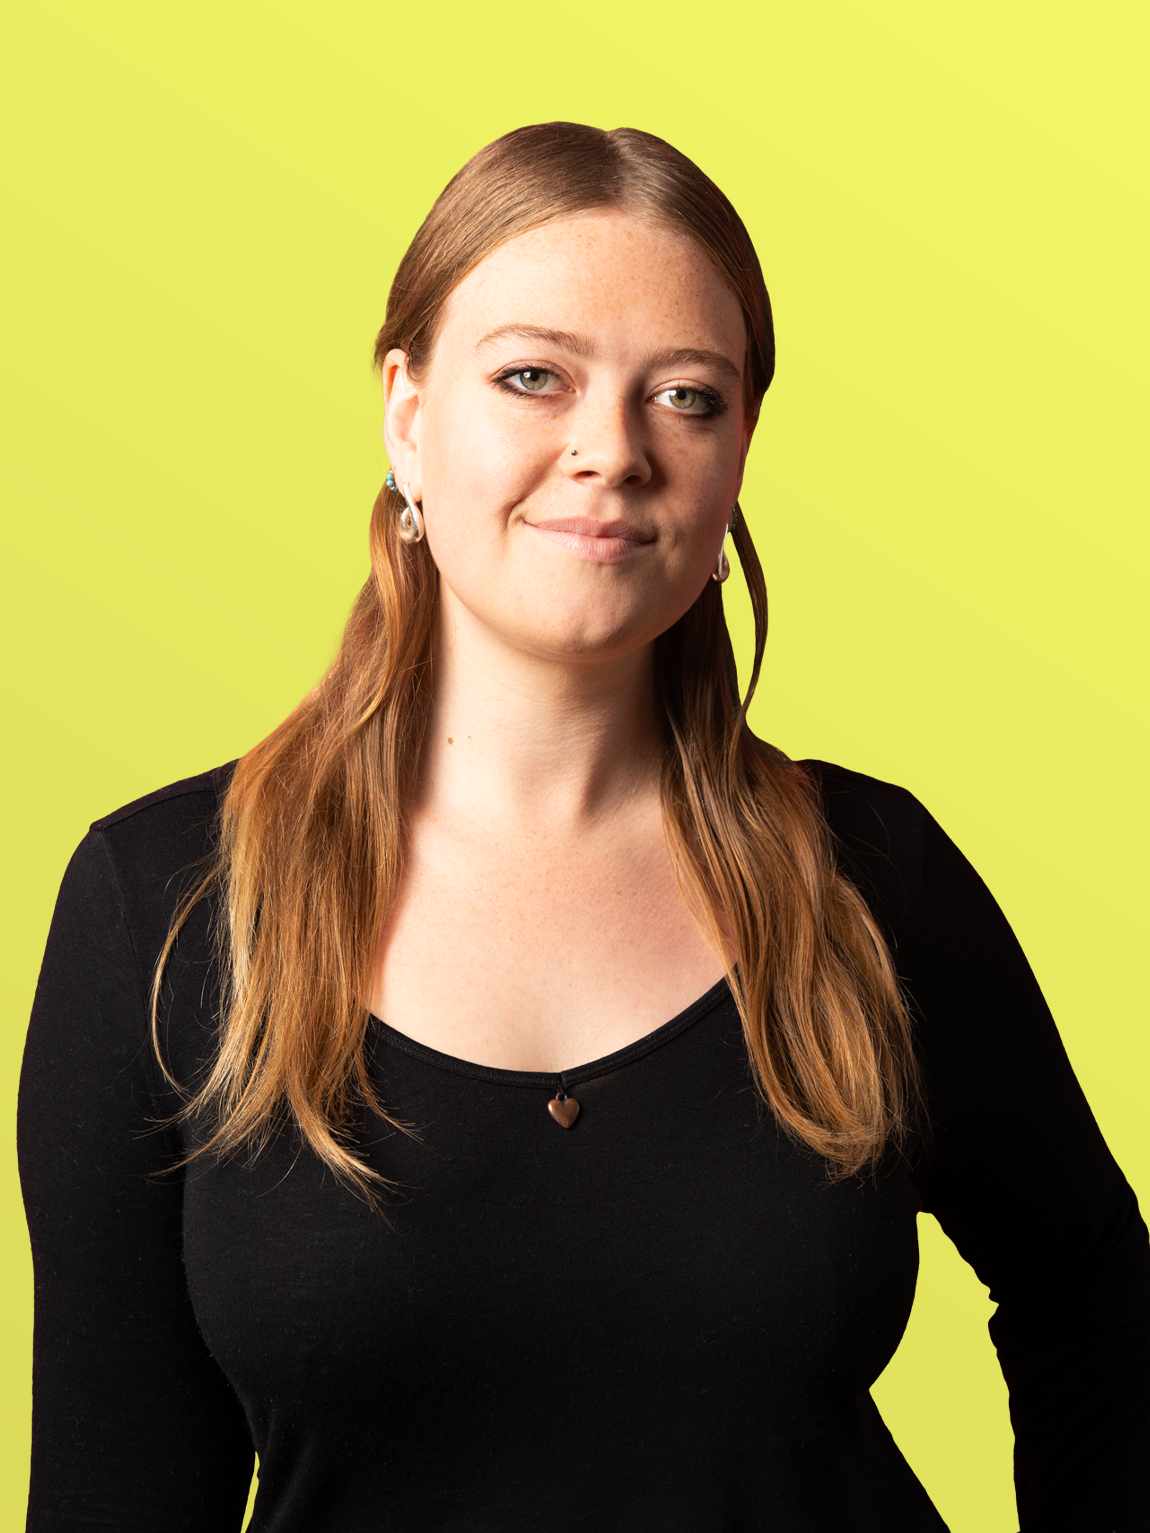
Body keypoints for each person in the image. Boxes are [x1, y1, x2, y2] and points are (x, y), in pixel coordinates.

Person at [18, 122, 1149, 1532]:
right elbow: (111, 1479)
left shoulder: (871, 875)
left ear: (740, 447)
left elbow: (1090, 1280)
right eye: (531, 377)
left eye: (686, 396)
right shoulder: (164, 901)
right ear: (407, 411)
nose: (609, 453)